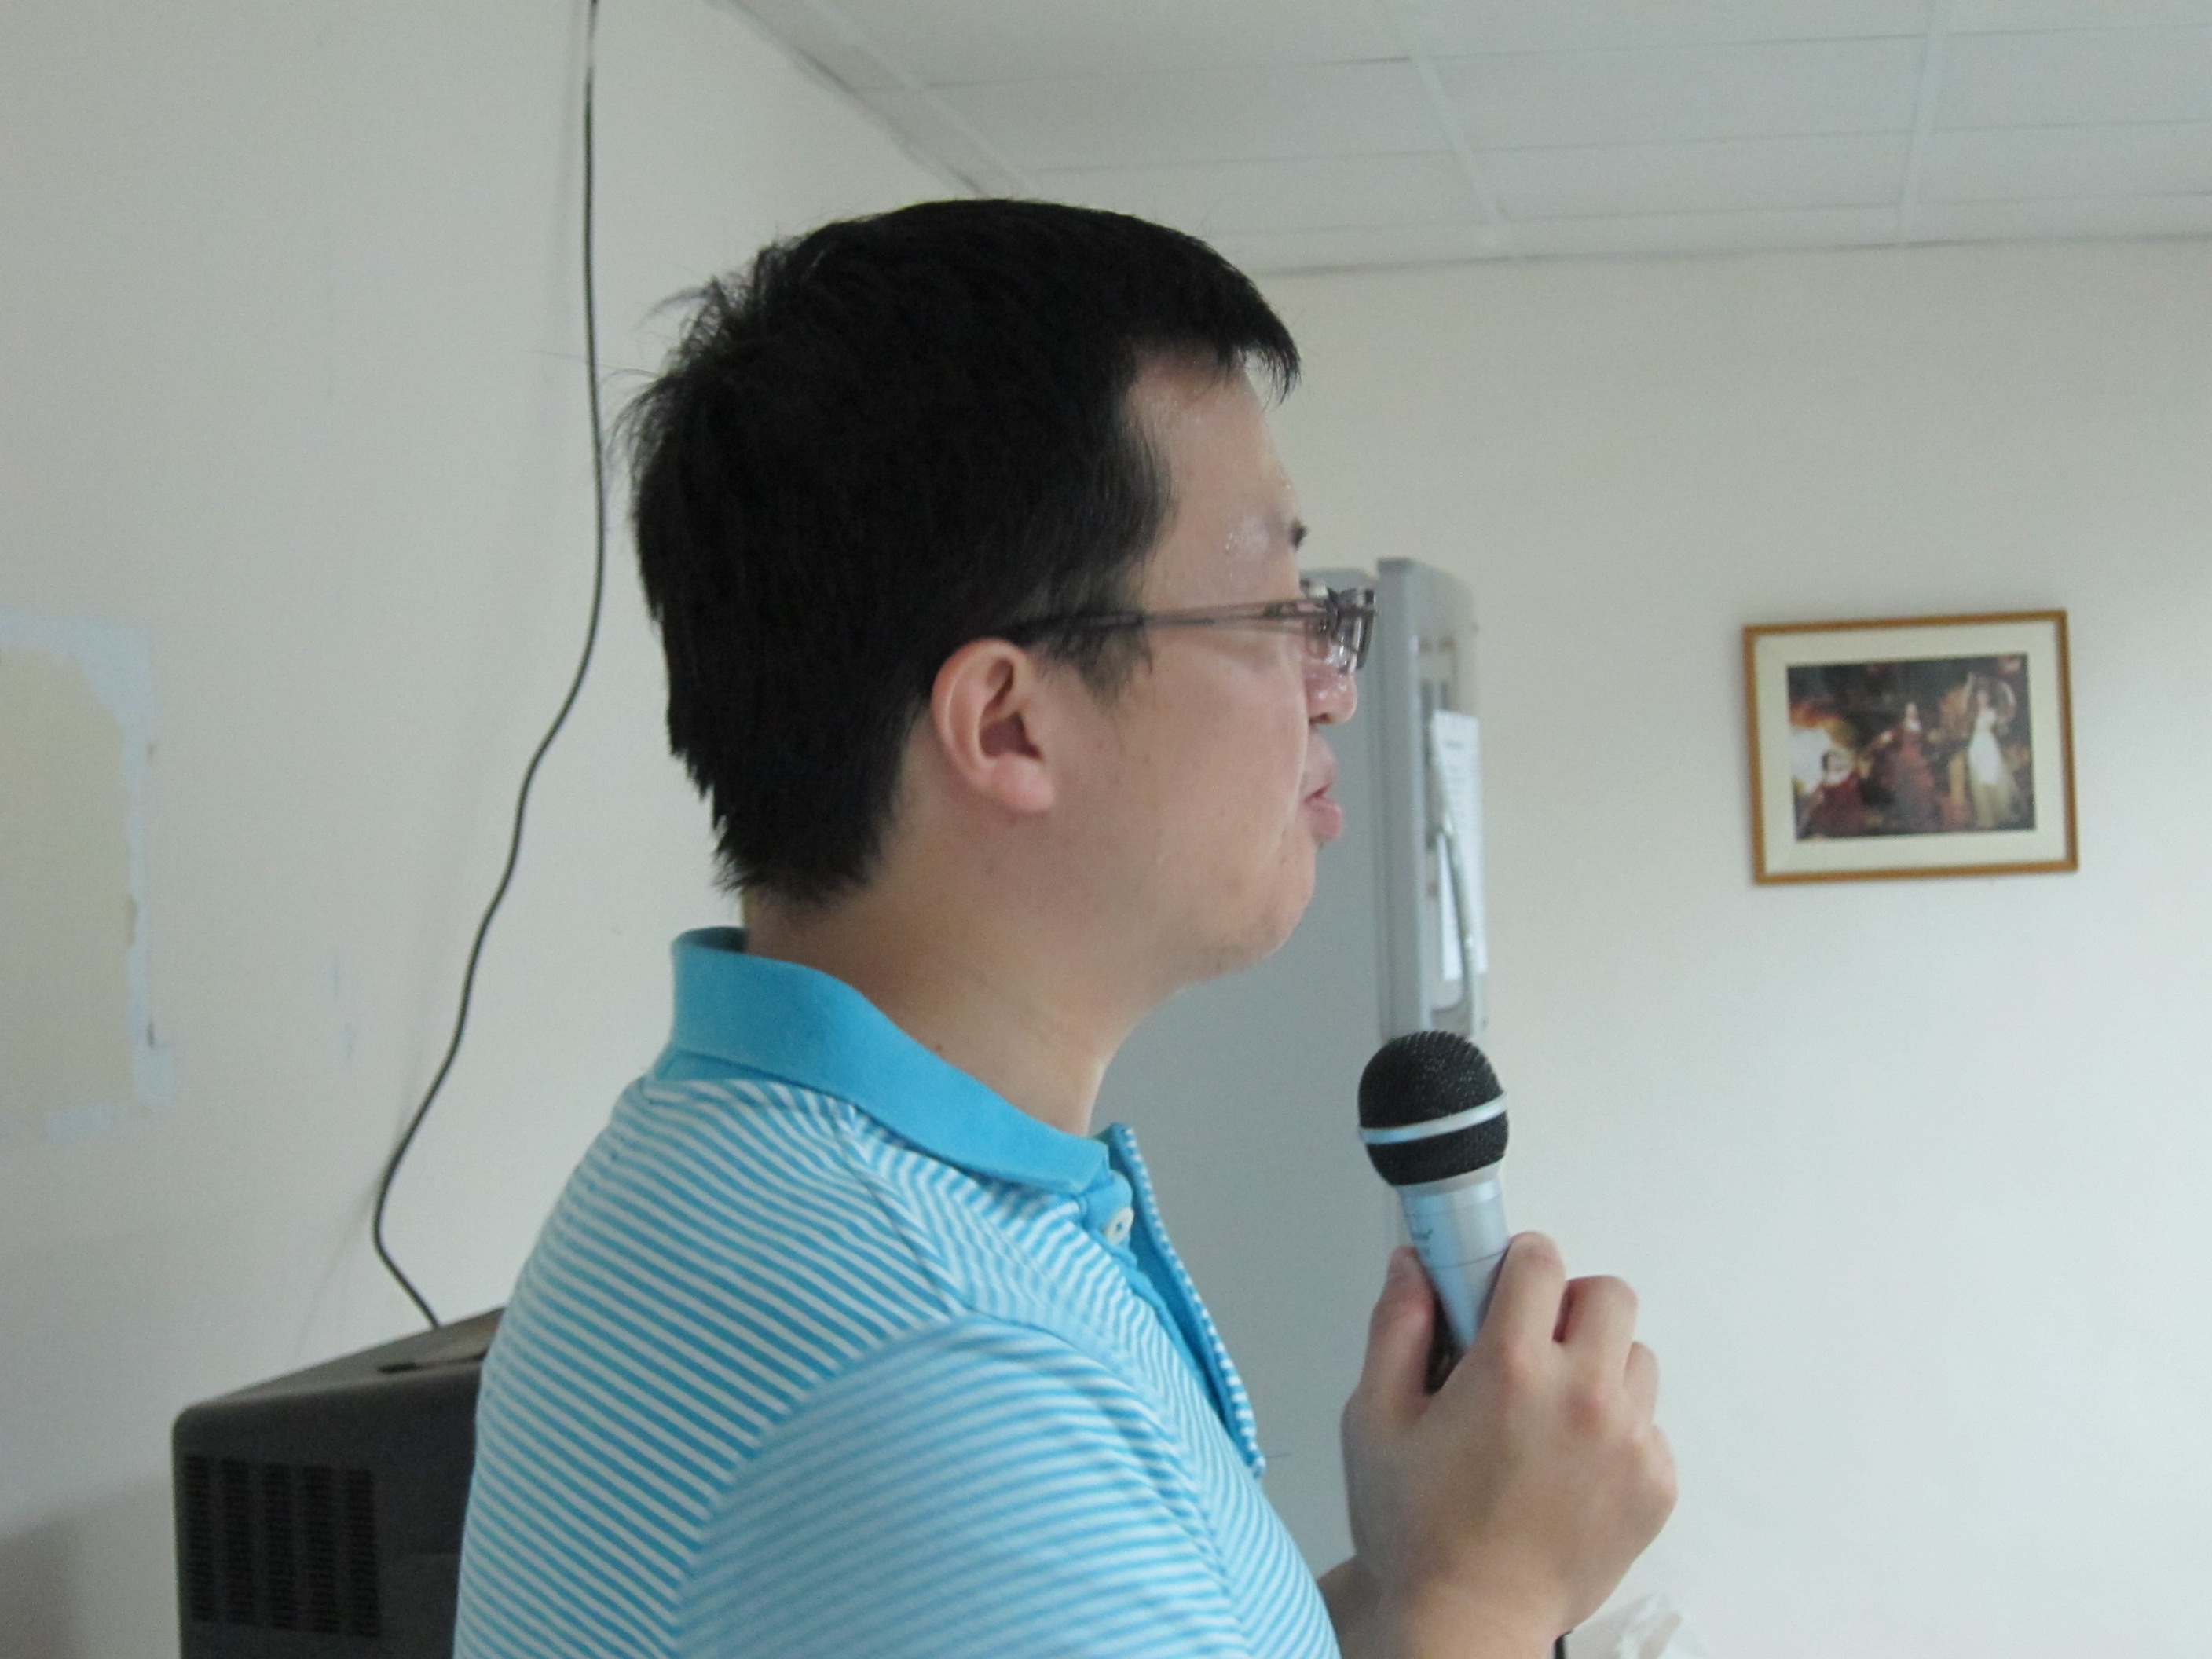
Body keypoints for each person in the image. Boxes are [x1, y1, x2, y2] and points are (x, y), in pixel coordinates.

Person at [454, 200, 1674, 1659]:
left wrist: (1433, 1575)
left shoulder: (766, 1169)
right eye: (1274, 611)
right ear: (1010, 725)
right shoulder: (940, 1358)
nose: (1334, 688)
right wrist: (1493, 1596)